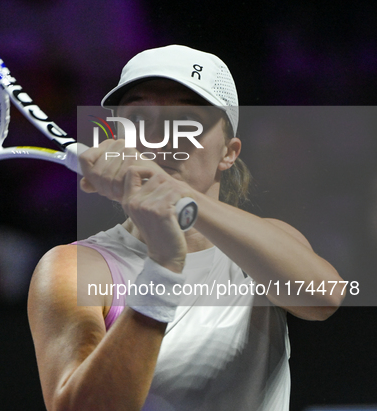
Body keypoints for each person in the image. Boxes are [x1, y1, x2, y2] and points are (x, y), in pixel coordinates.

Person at [27, 45, 345, 411]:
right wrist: (163, 266)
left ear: (229, 152)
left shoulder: (267, 240)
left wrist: (175, 195)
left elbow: (323, 299)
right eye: (140, 117)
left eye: (187, 118)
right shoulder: (74, 266)